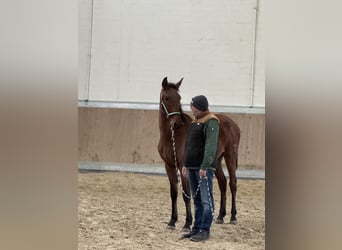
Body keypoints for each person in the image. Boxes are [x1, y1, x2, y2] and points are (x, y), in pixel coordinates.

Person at [181, 95, 220, 242]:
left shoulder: (211, 121)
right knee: (196, 200)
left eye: (193, 106)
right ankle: (196, 228)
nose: (191, 109)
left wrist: (205, 166)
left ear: (199, 106)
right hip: (192, 166)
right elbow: (190, 145)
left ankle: (205, 230)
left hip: (203, 168)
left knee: (206, 200)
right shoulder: (195, 121)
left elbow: (210, 146)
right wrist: (186, 164)